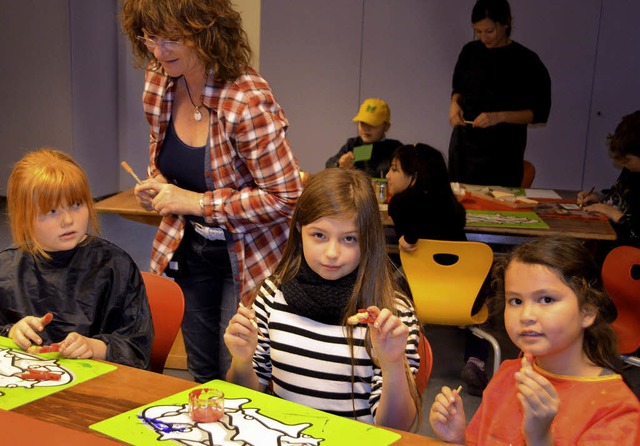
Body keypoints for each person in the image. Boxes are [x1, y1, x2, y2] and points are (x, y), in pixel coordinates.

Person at [120, 0, 303, 382]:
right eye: (150, 37)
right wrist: (160, 186)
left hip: (250, 254)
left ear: (204, 29)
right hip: (189, 248)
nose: (158, 50)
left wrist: (195, 202)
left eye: (170, 38)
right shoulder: (159, 80)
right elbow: (164, 154)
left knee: (244, 371)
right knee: (202, 370)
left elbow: (287, 197)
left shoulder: (245, 99)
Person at [224, 168, 423, 431]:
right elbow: (245, 397)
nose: (332, 253)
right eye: (319, 235)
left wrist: (393, 364)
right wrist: (241, 360)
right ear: (299, 231)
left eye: (350, 239)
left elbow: (397, 426)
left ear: (369, 241)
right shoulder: (272, 294)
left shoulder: (392, 313)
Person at [430, 237, 640, 445]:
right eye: (516, 301)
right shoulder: (510, 373)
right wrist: (458, 439)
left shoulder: (616, 410)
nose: (526, 315)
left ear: (587, 312)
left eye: (546, 299)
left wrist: (540, 439)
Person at [0, 149, 153, 369]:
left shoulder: (114, 266)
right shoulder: (6, 270)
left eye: (76, 205)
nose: (68, 220)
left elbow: (137, 346)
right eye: (52, 211)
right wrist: (11, 332)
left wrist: (94, 347)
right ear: (24, 216)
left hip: (100, 384)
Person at [448, 0, 551, 187]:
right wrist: (454, 104)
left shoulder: (526, 61)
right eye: (478, 32)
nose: (483, 38)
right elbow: (459, 90)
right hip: (464, 148)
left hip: (503, 152)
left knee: (497, 205)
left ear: (505, 23)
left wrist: (499, 117)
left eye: (489, 31)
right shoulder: (470, 52)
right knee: (460, 200)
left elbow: (538, 113)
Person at [577, 110, 640, 252]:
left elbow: (635, 235)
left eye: (628, 160)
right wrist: (599, 197)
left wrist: (612, 213)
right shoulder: (632, 170)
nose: (625, 165)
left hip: (627, 256)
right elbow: (621, 196)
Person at [386, 143, 466, 253]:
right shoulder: (451, 205)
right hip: (462, 268)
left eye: (394, 170)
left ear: (414, 177)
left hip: (419, 269)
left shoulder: (400, 203)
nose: (387, 175)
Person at [326, 98, 402, 178]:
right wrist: (339, 164)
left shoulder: (395, 148)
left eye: (372, 124)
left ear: (386, 126)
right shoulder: (353, 144)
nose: (366, 129)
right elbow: (328, 165)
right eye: (362, 123)